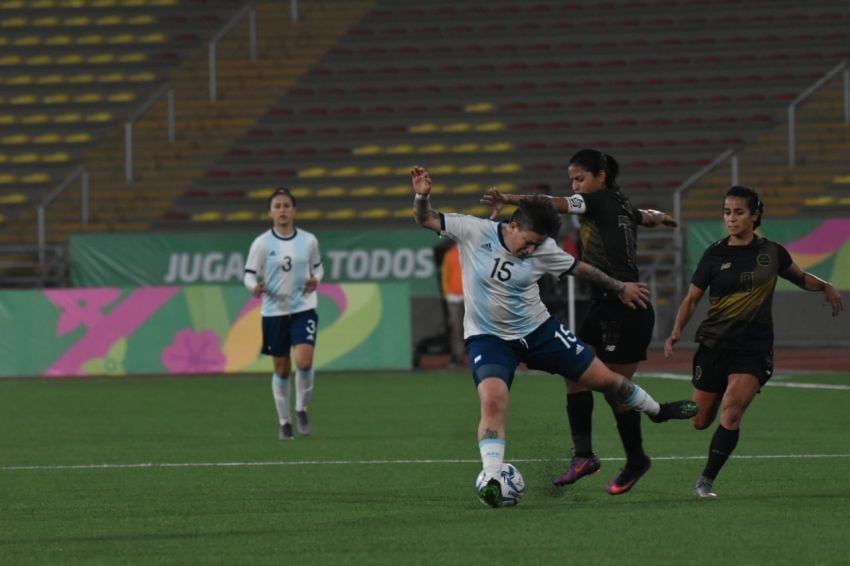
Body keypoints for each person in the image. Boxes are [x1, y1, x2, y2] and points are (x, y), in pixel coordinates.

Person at [411, 165, 697, 507]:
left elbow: (582, 269)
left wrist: (620, 287)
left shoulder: (544, 249)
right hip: (489, 338)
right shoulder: (474, 230)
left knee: (606, 381)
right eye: (528, 243)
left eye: (537, 245)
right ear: (513, 226)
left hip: (540, 331)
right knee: (492, 400)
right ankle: (492, 477)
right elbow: (425, 218)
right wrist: (422, 196)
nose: (531, 251)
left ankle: (657, 411)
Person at [482, 149, 678, 495]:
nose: (574, 186)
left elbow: (550, 204)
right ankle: (584, 456)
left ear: (601, 176)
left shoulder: (595, 200)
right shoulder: (621, 203)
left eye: (579, 178)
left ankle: (637, 459)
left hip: (626, 306)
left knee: (615, 391)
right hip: (602, 304)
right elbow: (643, 216)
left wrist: (509, 198)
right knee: (576, 375)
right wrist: (660, 217)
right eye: (571, 179)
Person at [663, 185, 843, 497]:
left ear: (755, 216)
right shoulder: (714, 254)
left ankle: (705, 481)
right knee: (700, 420)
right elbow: (692, 299)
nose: (731, 218)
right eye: (727, 212)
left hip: (753, 348)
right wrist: (677, 330)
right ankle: (705, 401)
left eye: (738, 212)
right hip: (714, 344)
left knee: (732, 412)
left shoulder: (771, 253)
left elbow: (801, 277)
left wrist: (826, 286)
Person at [244, 187, 324, 440]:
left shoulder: (309, 241)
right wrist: (254, 287)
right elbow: (248, 275)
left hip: (303, 308)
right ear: (270, 212)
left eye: (286, 206)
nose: (282, 210)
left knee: (305, 362)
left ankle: (301, 409)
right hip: (274, 312)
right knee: (281, 369)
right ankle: (284, 421)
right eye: (277, 206)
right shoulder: (261, 243)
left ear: (294, 211)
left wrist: (316, 279)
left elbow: (318, 268)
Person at [441, 240, 465, 367]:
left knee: (475, 327)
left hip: (470, 296)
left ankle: (477, 355)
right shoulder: (450, 254)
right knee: (456, 328)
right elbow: (446, 274)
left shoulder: (473, 251)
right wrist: (447, 293)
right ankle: (458, 356)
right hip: (454, 297)